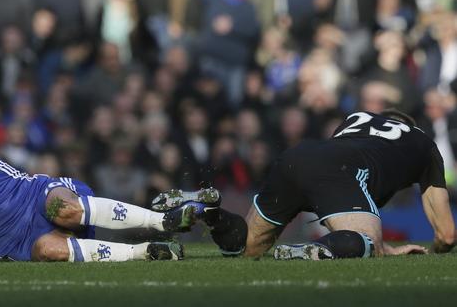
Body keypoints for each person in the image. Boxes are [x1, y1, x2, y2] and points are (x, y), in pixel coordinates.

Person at [155, 110, 456, 260]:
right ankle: (309, 250)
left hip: (299, 155)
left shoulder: (356, 118)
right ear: (410, 126)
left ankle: (210, 211)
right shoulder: (423, 144)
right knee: (367, 244)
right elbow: (446, 233)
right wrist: (438, 249)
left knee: (246, 248)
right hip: (339, 171)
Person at [0, 130, 209, 264]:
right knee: (49, 250)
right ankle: (146, 251)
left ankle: (161, 220)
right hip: (20, 243)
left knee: (61, 207)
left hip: (38, 196)